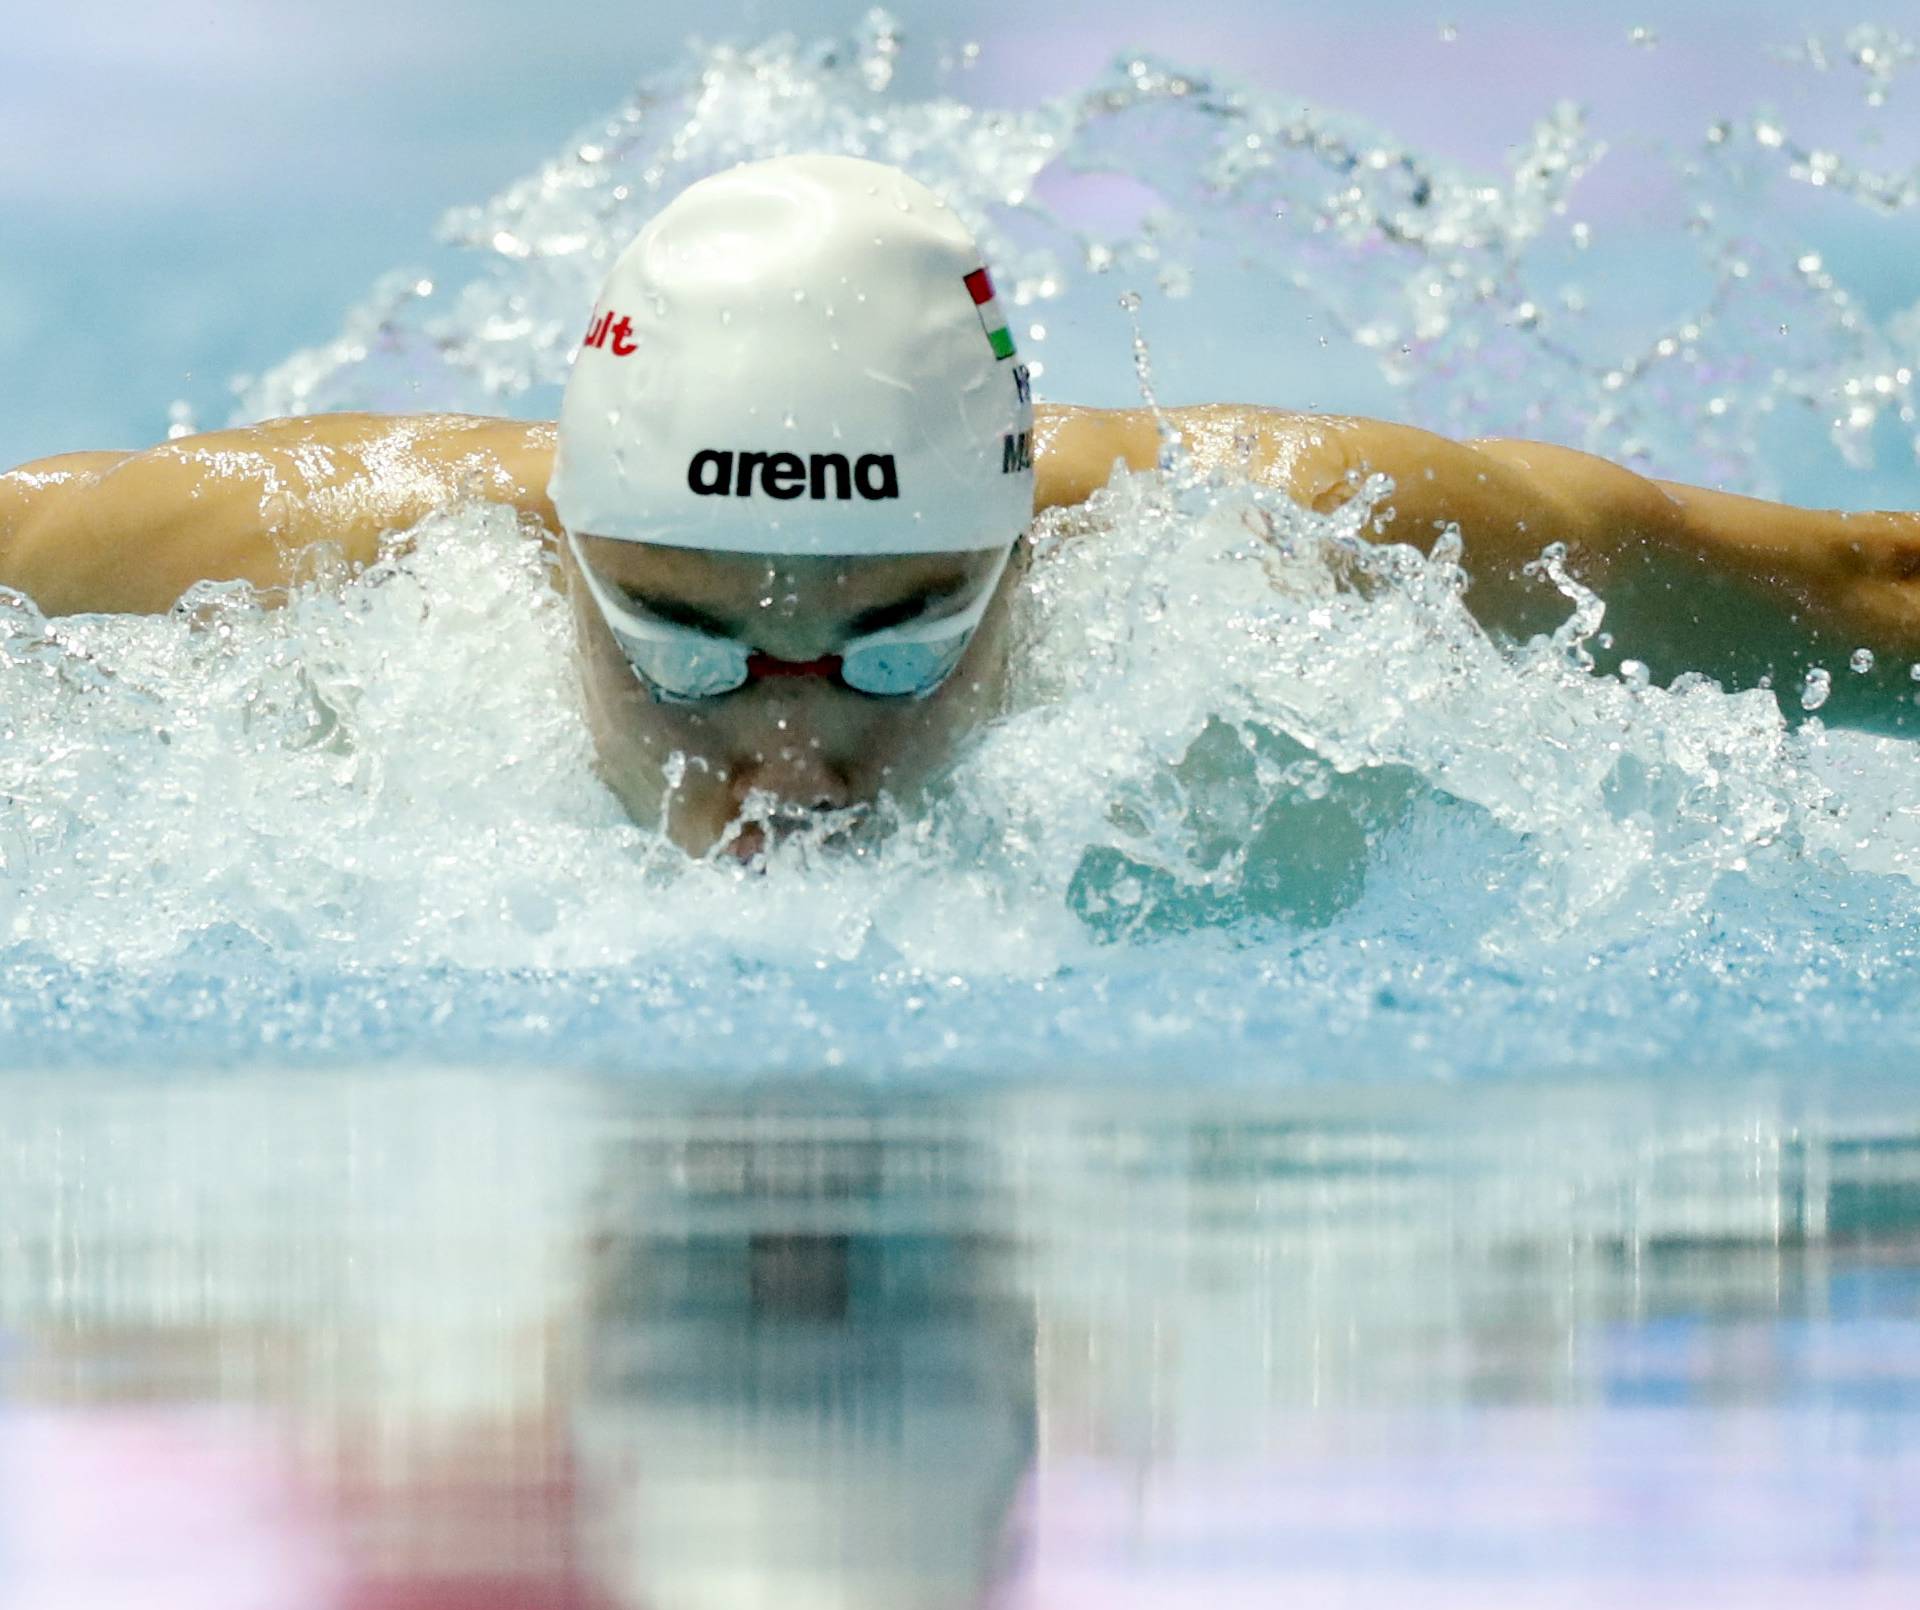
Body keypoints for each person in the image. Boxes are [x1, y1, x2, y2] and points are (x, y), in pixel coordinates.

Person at [3, 152, 1917, 860]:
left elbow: (1859, 586)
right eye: (677, 640)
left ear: (1021, 553)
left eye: (904, 632)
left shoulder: (1286, 548)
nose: (792, 734)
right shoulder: (342, 552)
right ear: (567, 558)